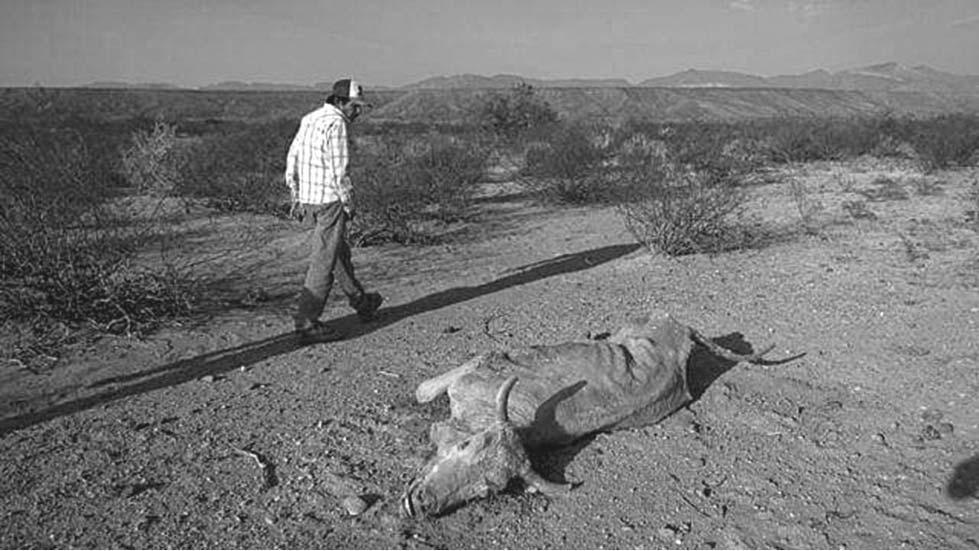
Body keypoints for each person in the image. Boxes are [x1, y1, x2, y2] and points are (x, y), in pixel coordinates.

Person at [285, 78, 383, 342]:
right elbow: (340, 171)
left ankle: (362, 303)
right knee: (324, 261)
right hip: (330, 201)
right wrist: (349, 203)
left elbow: (292, 158)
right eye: (354, 106)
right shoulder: (337, 123)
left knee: (337, 253)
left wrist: (296, 195)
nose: (357, 111)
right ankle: (307, 323)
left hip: (309, 200)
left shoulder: (309, 118)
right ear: (340, 102)